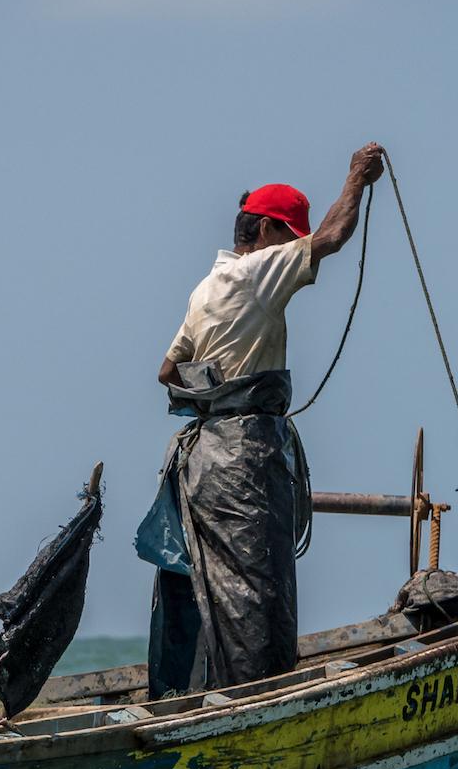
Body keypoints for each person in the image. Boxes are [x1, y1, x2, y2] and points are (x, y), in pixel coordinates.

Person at [142, 142, 386, 697]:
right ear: (267, 232)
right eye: (289, 236)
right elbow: (332, 237)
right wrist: (356, 179)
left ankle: (181, 699)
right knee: (256, 591)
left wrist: (217, 394)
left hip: (201, 462)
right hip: (243, 461)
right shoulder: (256, 272)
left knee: (207, 588)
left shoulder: (206, 288)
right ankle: (259, 703)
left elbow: (166, 372)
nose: (296, 250)